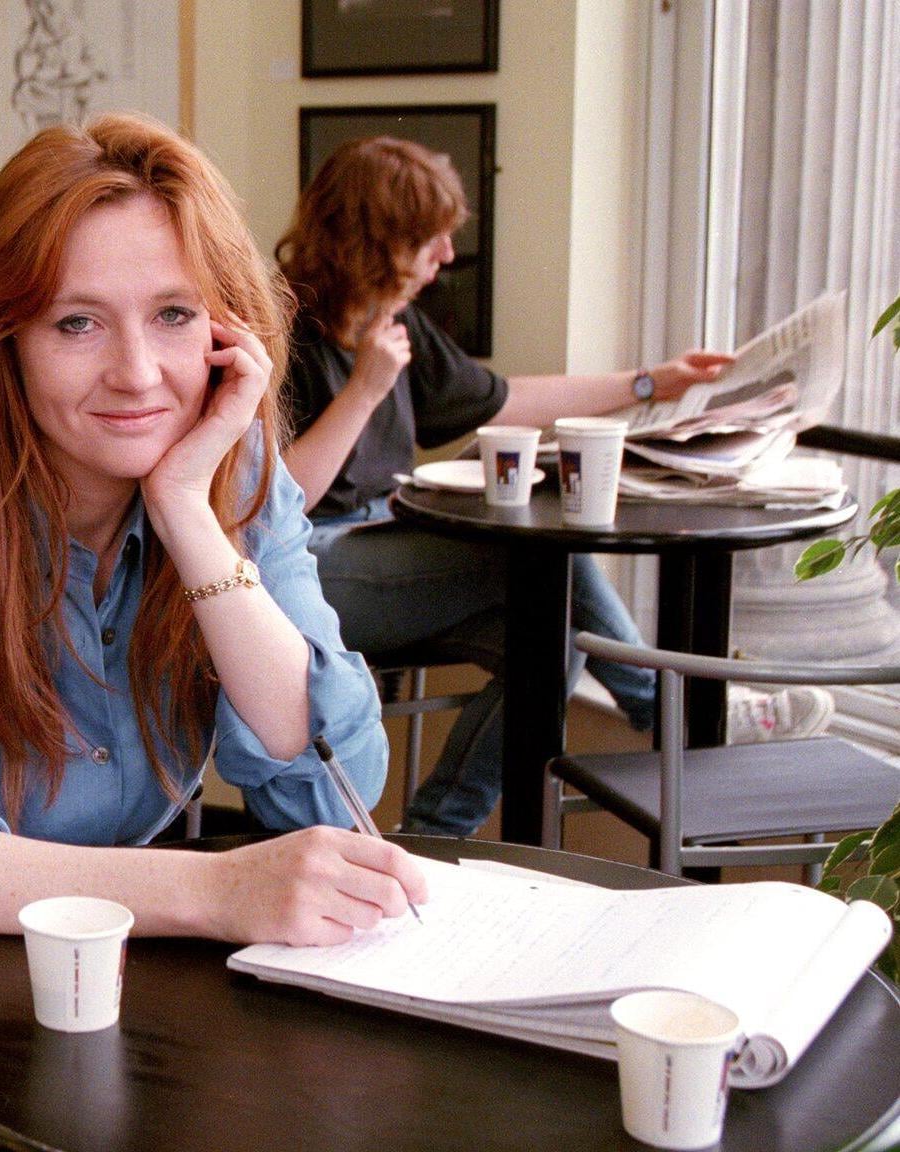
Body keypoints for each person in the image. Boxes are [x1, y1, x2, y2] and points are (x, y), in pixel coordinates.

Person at [0, 113, 427, 946]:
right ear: (1, 341)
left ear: (226, 330)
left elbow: (332, 794)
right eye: (78, 322)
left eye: (175, 315)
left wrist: (188, 517)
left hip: (126, 994)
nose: (138, 373)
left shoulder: (233, 476)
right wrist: (209, 890)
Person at [275, 135, 833, 836]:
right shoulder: (281, 327)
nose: (447, 256)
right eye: (430, 239)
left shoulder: (391, 317)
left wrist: (650, 383)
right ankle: (669, 712)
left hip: (379, 542)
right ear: (373, 241)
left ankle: (431, 837)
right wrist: (363, 393)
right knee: (541, 564)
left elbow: (501, 400)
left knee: (548, 635)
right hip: (302, 564)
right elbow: (273, 503)